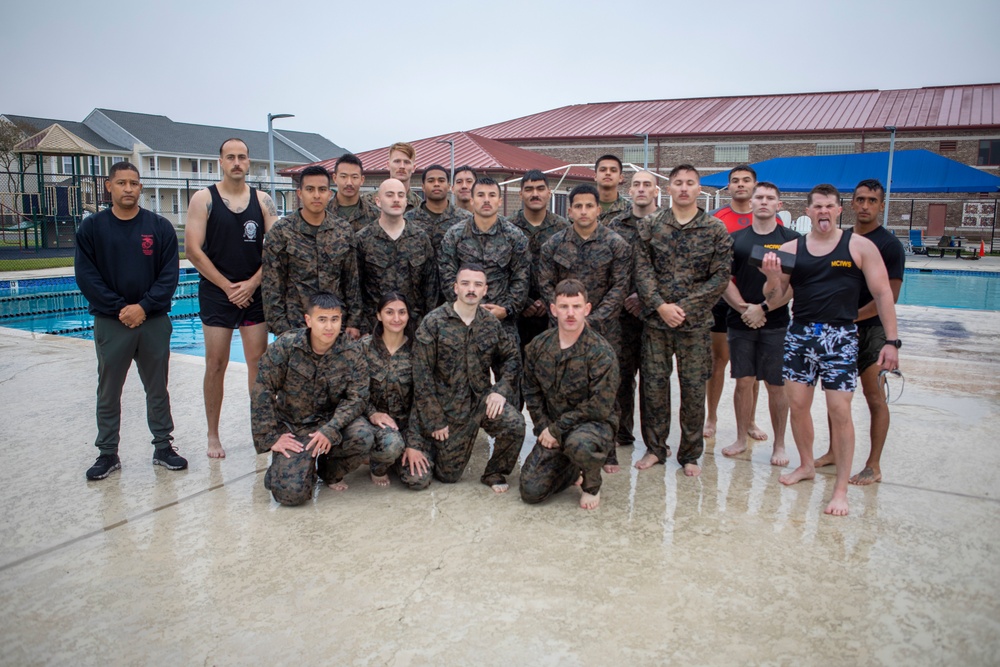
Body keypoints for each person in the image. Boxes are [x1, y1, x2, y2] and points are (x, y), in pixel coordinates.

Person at [760, 183, 900, 516]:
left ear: (839, 210)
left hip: (840, 336)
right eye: (817, 207)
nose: (823, 211)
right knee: (797, 405)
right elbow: (776, 298)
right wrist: (770, 276)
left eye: (829, 206)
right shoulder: (792, 248)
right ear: (808, 213)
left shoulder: (860, 246)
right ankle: (807, 464)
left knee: (840, 411)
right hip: (800, 335)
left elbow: (883, 295)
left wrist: (892, 342)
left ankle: (840, 491)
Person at [75, 161, 185, 480]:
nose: (128, 188)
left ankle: (163, 447)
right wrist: (121, 308)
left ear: (141, 187)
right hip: (112, 322)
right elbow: (86, 276)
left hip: (153, 321)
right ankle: (107, 453)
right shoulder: (93, 228)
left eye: (133, 183)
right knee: (109, 390)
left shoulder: (159, 227)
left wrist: (144, 307)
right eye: (121, 182)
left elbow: (169, 275)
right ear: (108, 186)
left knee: (157, 388)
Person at [634, 164, 732, 476]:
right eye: (678, 183)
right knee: (654, 389)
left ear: (699, 188)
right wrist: (661, 306)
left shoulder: (714, 229)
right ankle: (655, 449)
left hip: (695, 326)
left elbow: (720, 277)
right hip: (656, 324)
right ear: (669, 188)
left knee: (692, 391)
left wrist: (684, 307)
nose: (684, 188)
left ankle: (690, 454)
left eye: (690, 183)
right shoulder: (651, 224)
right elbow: (642, 269)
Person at [185, 138, 280, 458]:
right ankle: (213, 435)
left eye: (242, 157)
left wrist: (252, 284)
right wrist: (228, 287)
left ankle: (261, 429)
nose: (237, 162)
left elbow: (275, 248)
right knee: (215, 364)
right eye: (230, 157)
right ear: (221, 162)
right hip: (217, 292)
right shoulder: (203, 199)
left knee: (258, 363)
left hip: (253, 292)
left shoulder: (263, 200)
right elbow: (193, 251)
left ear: (249, 162)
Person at [814, 179, 905, 485]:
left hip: (871, 332)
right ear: (850, 204)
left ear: (881, 205)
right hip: (838, 331)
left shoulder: (889, 245)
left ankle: (873, 464)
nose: (865, 206)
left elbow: (889, 296)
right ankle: (832, 452)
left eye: (872, 201)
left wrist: (852, 317)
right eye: (860, 200)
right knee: (835, 396)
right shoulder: (839, 239)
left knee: (874, 397)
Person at [405, 264, 526, 492]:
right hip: (447, 407)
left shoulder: (490, 323)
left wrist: (500, 391)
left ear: (485, 290)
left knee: (515, 424)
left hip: (480, 402)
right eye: (466, 284)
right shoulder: (434, 323)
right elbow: (421, 377)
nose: (471, 289)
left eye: (477, 285)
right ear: (455, 288)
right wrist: (435, 420)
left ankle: (495, 472)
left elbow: (512, 358)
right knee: (448, 475)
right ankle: (424, 444)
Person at [538, 183, 630, 472]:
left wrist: (593, 318)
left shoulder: (617, 244)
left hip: (604, 330)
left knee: (607, 391)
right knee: (565, 386)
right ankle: (565, 438)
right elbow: (545, 284)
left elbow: (620, 287)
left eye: (589, 205)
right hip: (562, 330)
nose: (584, 211)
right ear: (569, 210)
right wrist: (566, 317)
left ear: (598, 209)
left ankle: (608, 448)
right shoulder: (553, 245)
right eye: (578, 206)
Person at [251, 293, 372, 506]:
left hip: (332, 423)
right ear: (308, 320)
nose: (329, 327)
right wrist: (270, 437)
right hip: (295, 426)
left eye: (335, 319)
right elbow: (263, 389)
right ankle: (284, 472)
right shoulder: (286, 346)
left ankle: (329, 470)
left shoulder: (352, 351)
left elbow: (357, 397)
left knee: (363, 435)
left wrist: (331, 428)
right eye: (322, 319)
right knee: (291, 495)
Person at [719, 182, 800, 466]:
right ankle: (741, 438)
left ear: (779, 204)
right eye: (759, 197)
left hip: (776, 322)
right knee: (743, 382)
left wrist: (763, 308)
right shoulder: (733, 239)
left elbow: (792, 286)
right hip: (740, 320)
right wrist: (745, 308)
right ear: (750, 203)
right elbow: (723, 280)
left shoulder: (791, 240)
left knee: (777, 386)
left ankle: (779, 444)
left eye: (770, 198)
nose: (764, 202)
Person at [520, 280, 620, 510]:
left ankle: (591, 484)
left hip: (592, 426)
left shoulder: (600, 352)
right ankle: (571, 466)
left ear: (587, 309)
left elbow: (599, 407)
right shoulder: (539, 346)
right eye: (564, 307)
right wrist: (544, 428)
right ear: (554, 310)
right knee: (531, 491)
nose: (570, 313)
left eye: (576, 306)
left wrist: (556, 429)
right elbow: (531, 391)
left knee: (580, 444)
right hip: (553, 427)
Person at [262, 165, 363, 339]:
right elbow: (272, 286)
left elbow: (352, 281)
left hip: (336, 326)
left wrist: (353, 322)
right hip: (295, 328)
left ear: (329, 194)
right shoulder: (281, 232)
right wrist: (282, 329)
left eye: (322, 189)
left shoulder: (343, 231)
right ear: (300, 193)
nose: (317, 195)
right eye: (310, 189)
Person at [705, 164, 768, 442]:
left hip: (755, 303)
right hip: (721, 301)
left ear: (754, 186)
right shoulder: (716, 218)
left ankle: (751, 419)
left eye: (746, 180)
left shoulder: (769, 220)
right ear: (728, 187)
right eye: (734, 181)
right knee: (717, 361)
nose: (740, 185)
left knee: (751, 369)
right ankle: (712, 417)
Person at [608, 170, 659, 452]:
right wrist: (627, 295)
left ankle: (653, 443)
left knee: (653, 381)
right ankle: (623, 434)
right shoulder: (616, 225)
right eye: (637, 184)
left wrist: (647, 298)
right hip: (623, 315)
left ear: (655, 192)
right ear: (630, 190)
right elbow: (611, 267)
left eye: (647, 185)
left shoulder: (667, 223)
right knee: (622, 378)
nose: (641, 189)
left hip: (655, 316)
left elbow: (674, 268)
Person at [438, 177, 530, 335]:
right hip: (462, 320)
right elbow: (447, 276)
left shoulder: (514, 236)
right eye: (481, 195)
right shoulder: (455, 235)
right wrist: (465, 307)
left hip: (502, 322)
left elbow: (521, 278)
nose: (486, 200)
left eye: (492, 195)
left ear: (499, 201)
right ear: (472, 200)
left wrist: (506, 309)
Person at [351, 292, 423, 487]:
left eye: (402, 312)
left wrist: (413, 443)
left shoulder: (418, 350)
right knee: (391, 445)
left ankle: (391, 454)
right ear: (379, 315)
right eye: (389, 312)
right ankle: (378, 463)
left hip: (407, 425)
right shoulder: (362, 348)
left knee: (418, 480)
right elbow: (352, 391)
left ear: (408, 316)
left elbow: (422, 398)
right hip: (372, 422)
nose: (397, 318)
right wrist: (373, 413)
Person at [356, 179, 437, 332]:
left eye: (400, 195)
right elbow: (355, 288)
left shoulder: (420, 238)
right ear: (378, 201)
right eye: (390, 195)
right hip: (373, 327)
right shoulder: (363, 239)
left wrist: (427, 325)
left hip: (414, 326)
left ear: (406, 201)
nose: (396, 199)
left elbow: (430, 288)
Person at [507, 170, 569, 355]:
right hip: (516, 313)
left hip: (552, 313)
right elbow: (501, 271)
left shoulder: (563, 228)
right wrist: (522, 302)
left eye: (540, 189)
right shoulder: (507, 227)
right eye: (529, 189)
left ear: (549, 192)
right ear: (520, 194)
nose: (535, 194)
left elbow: (567, 271)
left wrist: (547, 299)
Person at [404, 163, 471, 256]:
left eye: (441, 180)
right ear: (423, 187)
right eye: (431, 181)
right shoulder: (408, 219)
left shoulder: (465, 219)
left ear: (448, 186)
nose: (436, 184)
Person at [326, 153, 380, 233]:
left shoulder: (376, 216)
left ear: (362, 180)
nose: (349, 183)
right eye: (343, 177)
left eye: (354, 177)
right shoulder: (323, 213)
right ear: (335, 178)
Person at [363, 142, 423, 212]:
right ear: (388, 165)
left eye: (407, 162)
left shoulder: (421, 207)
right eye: (397, 161)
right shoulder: (366, 202)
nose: (402, 166)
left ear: (413, 168)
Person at [594, 154, 630, 224]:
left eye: (613, 170)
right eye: (603, 170)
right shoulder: (582, 209)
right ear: (595, 176)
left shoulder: (630, 211)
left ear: (620, 178)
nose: (608, 173)